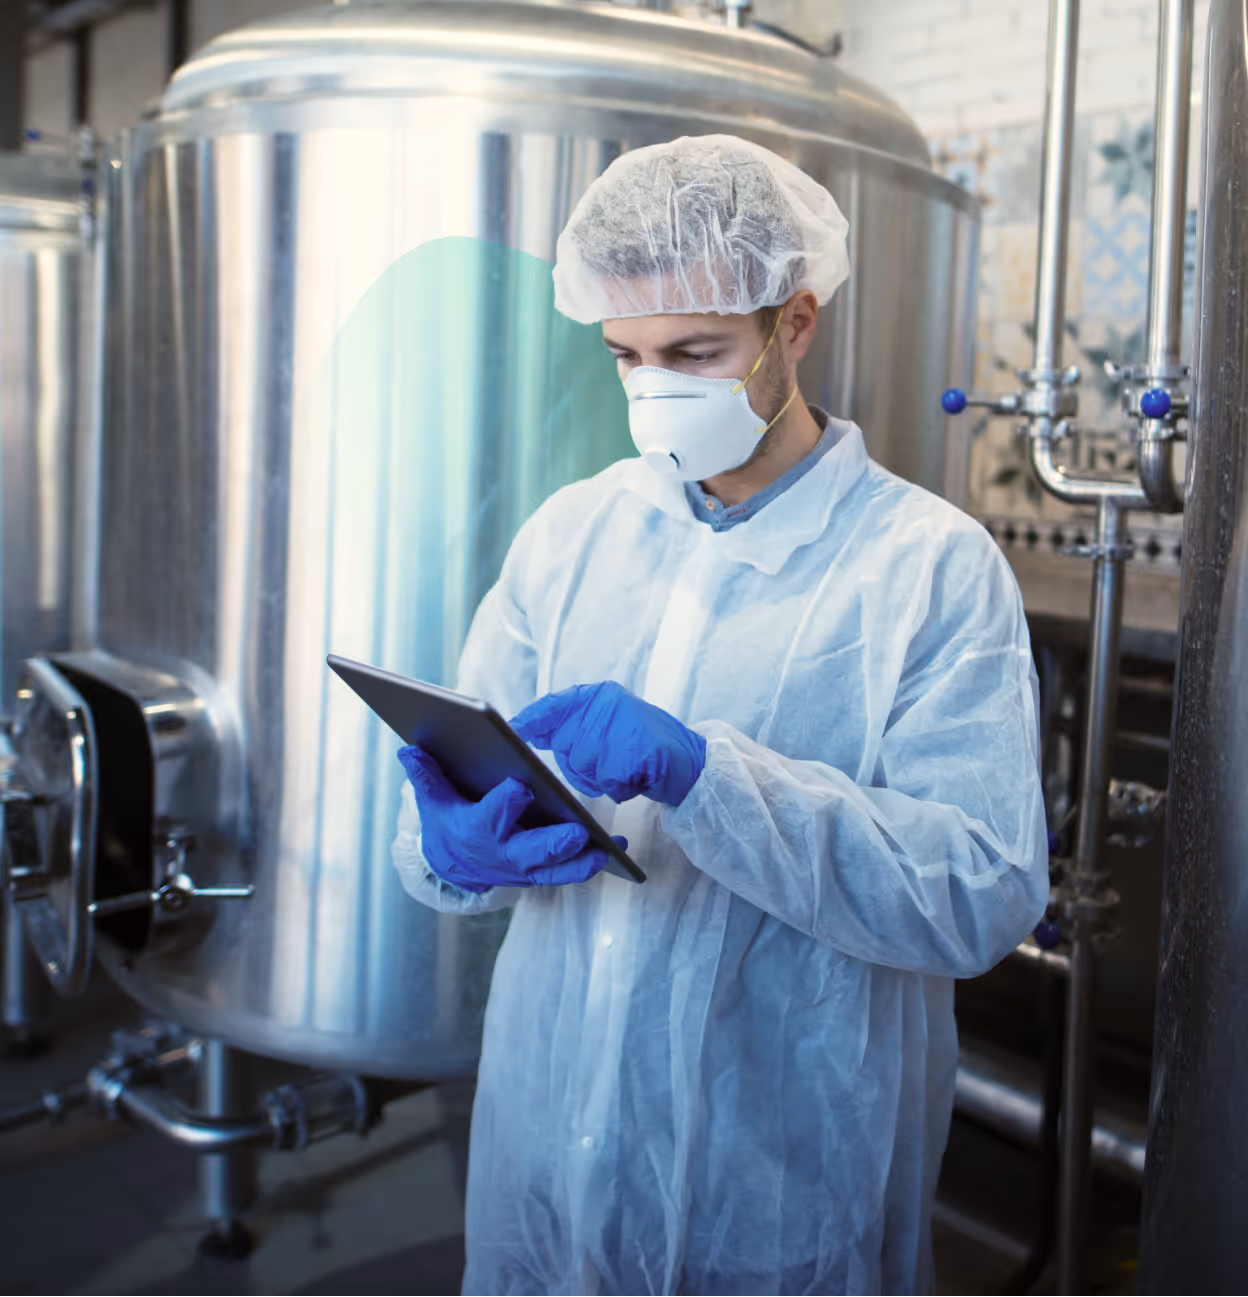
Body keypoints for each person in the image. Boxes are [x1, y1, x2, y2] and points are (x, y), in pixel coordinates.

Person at [392, 134, 1048, 1295]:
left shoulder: (928, 568)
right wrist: (451, 848)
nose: (656, 389)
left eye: (696, 351)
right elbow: (462, 777)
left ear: (794, 323)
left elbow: (979, 890)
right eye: (627, 356)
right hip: (548, 1147)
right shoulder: (574, 531)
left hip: (781, 1178)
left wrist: (711, 780)